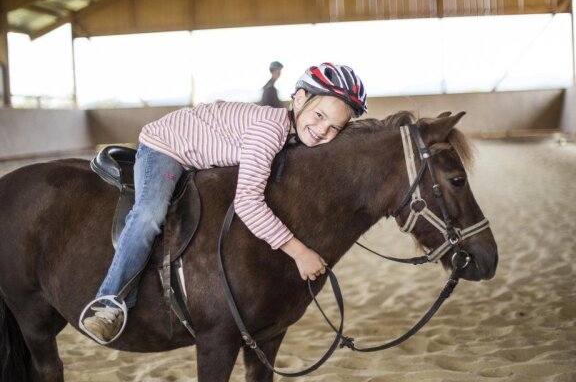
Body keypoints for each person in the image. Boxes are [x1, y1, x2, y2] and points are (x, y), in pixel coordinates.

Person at [80, 62, 368, 344]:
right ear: (301, 97)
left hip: (203, 149)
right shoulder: (269, 130)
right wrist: (299, 252)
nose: (322, 130)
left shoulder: (292, 132)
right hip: (167, 146)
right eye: (319, 115)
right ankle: (109, 302)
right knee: (149, 215)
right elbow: (247, 202)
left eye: (334, 128)